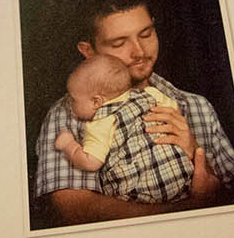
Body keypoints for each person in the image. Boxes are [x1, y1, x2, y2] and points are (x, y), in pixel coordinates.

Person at [34, 0, 234, 225]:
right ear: (89, 51)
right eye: (119, 43)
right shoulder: (68, 114)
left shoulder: (196, 106)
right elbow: (74, 209)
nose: (139, 51)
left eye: (146, 34)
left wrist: (196, 153)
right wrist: (190, 209)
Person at [54, 53, 194, 203]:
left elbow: (91, 162)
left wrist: (69, 145)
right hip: (182, 177)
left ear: (96, 102)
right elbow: (174, 112)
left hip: (139, 193)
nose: (70, 104)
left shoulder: (100, 123)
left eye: (74, 100)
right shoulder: (151, 94)